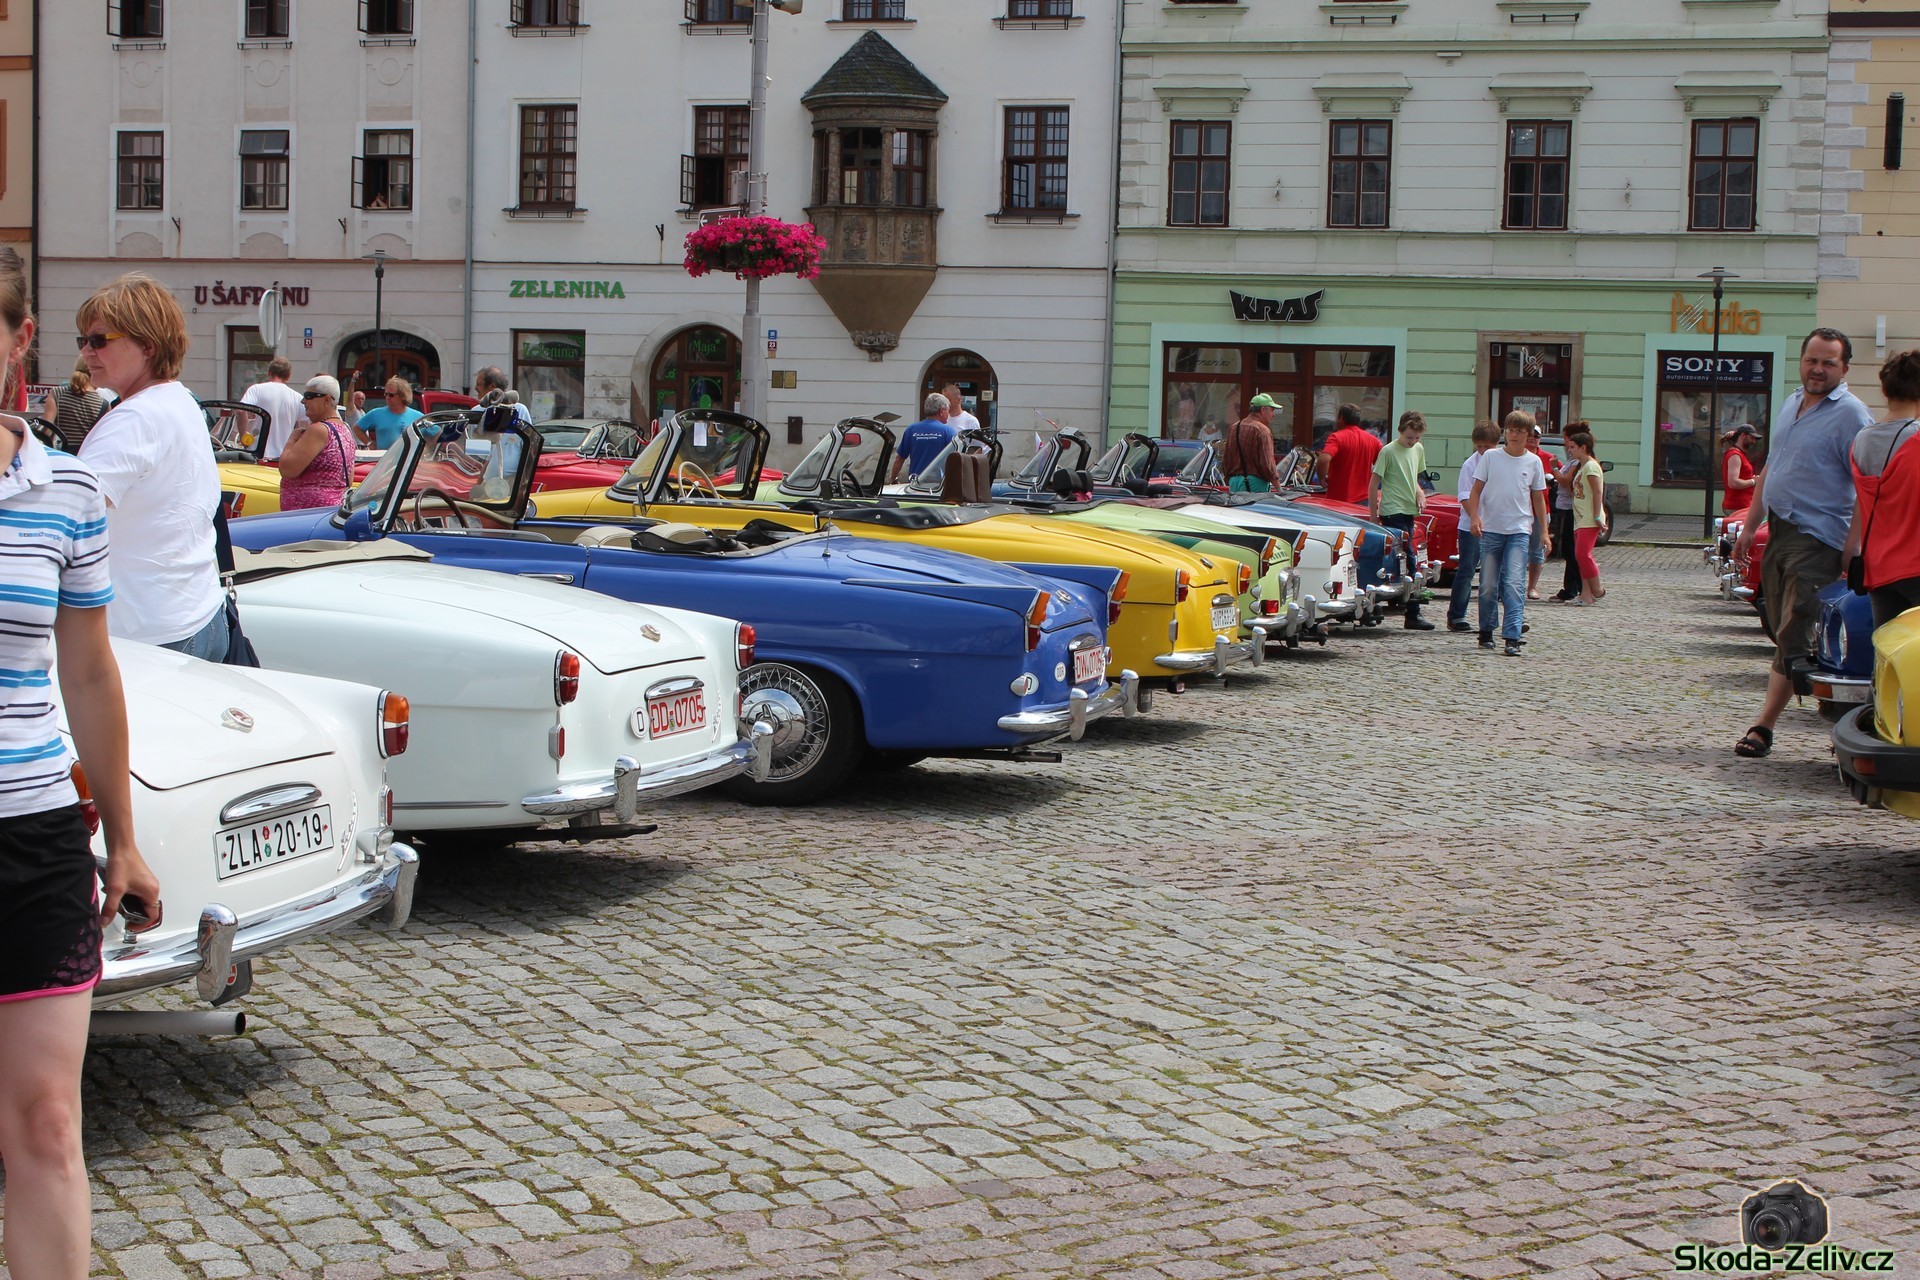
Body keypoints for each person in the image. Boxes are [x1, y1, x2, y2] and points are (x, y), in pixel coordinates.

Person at [0, 245, 156, 1280]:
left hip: (34, 838)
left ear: (19, 339)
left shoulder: (65, 490)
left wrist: (125, 838)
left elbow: (91, 673)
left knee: (48, 1122)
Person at [1732, 328, 1874, 758]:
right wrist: (1750, 525)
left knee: (1796, 634)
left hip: (1818, 538)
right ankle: (1847, 718)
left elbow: (1866, 489)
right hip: (1779, 531)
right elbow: (1772, 468)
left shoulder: (1853, 416)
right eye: (1812, 360)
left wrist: (1852, 546)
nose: (1818, 369)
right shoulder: (1792, 403)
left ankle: (1765, 726)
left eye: (1828, 363)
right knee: (1785, 632)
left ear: (1845, 368)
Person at [74, 273, 228, 661]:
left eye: (98, 340)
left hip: (150, 634)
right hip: (198, 613)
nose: (87, 352)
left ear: (147, 345)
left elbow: (69, 516)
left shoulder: (134, 418)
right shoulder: (180, 399)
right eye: (83, 341)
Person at [1845, 349, 1920, 628]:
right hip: (1916, 563)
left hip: (1879, 568)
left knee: (1888, 648)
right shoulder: (1916, 438)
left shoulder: (1861, 441)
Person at [1466, 411, 1550, 656]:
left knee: (1514, 583)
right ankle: (1486, 630)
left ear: (1528, 435)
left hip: (1519, 530)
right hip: (1492, 528)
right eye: (1511, 430)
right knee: (1487, 585)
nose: (1514, 435)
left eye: (1520, 431)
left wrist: (1544, 532)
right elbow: (1475, 490)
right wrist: (1475, 517)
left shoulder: (1533, 462)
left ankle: (1512, 636)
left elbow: (1538, 499)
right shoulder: (1491, 457)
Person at [1368, 409, 1434, 630]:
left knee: (1402, 559)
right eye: (1409, 437)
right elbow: (1374, 483)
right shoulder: (1388, 451)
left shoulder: (1418, 449)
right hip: (1392, 510)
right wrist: (1373, 516)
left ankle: (1394, 604)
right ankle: (1412, 612)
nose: (1412, 442)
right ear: (1400, 431)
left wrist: (1419, 492)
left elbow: (1413, 477)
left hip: (1408, 509)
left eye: (1417, 438)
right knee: (1409, 559)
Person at [1447, 419, 1499, 632]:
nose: (1483, 450)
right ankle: (1456, 615)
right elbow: (1465, 496)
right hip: (1471, 525)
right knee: (1467, 570)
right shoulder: (1470, 464)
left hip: (1495, 524)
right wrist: (1475, 518)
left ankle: (1491, 619)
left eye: (1488, 446)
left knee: (1494, 573)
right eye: (1479, 446)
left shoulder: (1500, 461)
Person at [279, 375, 358, 511]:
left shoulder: (319, 430)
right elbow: (348, 479)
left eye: (309, 396)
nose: (303, 401)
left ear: (326, 400)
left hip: (309, 515)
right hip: (330, 510)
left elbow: (287, 470)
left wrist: (292, 440)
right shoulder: (345, 429)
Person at [1564, 429, 1609, 605]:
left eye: (1572, 447)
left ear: (1583, 447)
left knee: (1582, 554)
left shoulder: (1591, 466)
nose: (1569, 450)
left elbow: (1597, 491)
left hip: (1589, 518)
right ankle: (1586, 595)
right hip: (1581, 518)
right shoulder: (1582, 467)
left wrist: (1597, 515)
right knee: (1580, 557)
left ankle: (1597, 590)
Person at [1548, 421, 1586, 602]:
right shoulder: (1573, 459)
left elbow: (1565, 481)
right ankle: (1577, 586)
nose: (1565, 444)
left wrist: (1554, 468)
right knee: (1569, 549)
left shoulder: (1578, 461)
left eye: (1566, 439)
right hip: (1566, 507)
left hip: (1572, 509)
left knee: (1571, 550)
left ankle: (1573, 588)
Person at [241, 355, 305, 461]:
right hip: (282, 455)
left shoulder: (256, 390)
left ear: (269, 372)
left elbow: (240, 410)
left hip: (257, 451)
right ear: (288, 376)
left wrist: (243, 436)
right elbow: (306, 423)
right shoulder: (297, 397)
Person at [1318, 402, 1380, 504]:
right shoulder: (1372, 440)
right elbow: (1384, 464)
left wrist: (1321, 478)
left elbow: (1323, 460)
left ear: (1341, 418)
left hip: (1339, 498)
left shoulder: (1336, 437)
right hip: (1364, 498)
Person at [889, 392, 956, 483]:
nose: (948, 414)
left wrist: (893, 478)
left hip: (915, 483)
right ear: (941, 411)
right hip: (938, 485)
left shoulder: (911, 430)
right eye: (948, 410)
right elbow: (955, 461)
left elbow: (899, 459)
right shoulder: (948, 432)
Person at [1525, 422, 1559, 600]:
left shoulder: (1547, 458)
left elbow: (1563, 476)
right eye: (1530, 435)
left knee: (1537, 549)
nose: (1532, 439)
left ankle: (1532, 587)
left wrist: (1553, 479)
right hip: (1519, 509)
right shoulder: (1517, 455)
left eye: (1536, 436)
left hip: (1541, 509)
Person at [1222, 393, 1281, 493]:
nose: (1273, 415)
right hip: (1254, 484)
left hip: (1234, 482)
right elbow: (1267, 465)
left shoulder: (1234, 427)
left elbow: (1226, 459)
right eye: (1272, 410)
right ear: (1263, 410)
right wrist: (1278, 488)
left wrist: (1229, 479)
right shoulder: (1262, 430)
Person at [44, 359, 107, 452]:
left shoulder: (57, 393)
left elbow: (46, 430)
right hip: (84, 456)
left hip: (60, 453)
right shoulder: (103, 404)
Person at [353, 376, 424, 449]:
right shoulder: (376, 414)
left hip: (409, 456)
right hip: (384, 455)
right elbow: (357, 428)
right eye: (386, 394)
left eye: (391, 395)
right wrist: (369, 443)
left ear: (403, 396)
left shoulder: (418, 416)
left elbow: (431, 435)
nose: (387, 397)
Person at [1721, 424, 1760, 516]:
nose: (1754, 441)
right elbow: (1733, 483)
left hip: (1741, 505)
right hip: (1737, 505)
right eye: (1751, 437)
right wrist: (1753, 481)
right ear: (1743, 436)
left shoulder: (1738, 454)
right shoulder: (1735, 455)